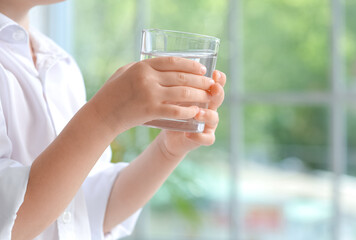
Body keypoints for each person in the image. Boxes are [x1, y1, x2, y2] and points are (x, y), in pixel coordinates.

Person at [0, 0, 226, 239]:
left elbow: (86, 211)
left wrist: (167, 150)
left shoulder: (59, 63)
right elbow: (10, 223)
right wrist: (104, 117)